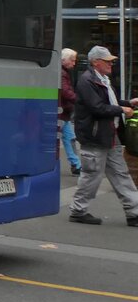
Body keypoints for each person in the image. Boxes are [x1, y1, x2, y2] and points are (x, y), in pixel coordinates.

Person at [68, 45, 138, 226]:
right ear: (96, 62)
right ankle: (78, 210)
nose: (111, 64)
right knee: (92, 175)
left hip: (109, 135)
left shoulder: (102, 79)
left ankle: (134, 212)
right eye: (108, 61)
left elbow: (107, 103)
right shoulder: (87, 81)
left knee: (121, 174)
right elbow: (97, 108)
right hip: (96, 137)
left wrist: (127, 102)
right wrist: (122, 109)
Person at [58, 48, 81, 175]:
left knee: (69, 138)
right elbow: (66, 92)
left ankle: (76, 164)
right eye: (72, 60)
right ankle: (76, 164)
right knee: (69, 138)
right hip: (62, 112)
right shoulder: (62, 73)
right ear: (64, 60)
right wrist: (80, 100)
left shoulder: (63, 72)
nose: (74, 63)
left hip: (63, 112)